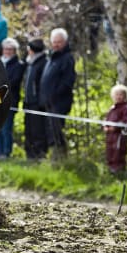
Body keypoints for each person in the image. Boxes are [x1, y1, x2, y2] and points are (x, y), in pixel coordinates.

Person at [39, 28, 76, 159]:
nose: (56, 45)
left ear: (65, 42)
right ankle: (53, 157)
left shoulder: (67, 58)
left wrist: (54, 95)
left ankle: (60, 159)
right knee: (49, 131)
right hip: (47, 103)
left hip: (59, 103)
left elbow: (67, 82)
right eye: (54, 42)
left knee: (57, 132)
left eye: (59, 42)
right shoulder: (51, 57)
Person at [0, 38, 26, 159]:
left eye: (10, 49)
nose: (7, 51)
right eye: (6, 49)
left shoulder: (18, 65)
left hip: (10, 101)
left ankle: (6, 153)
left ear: (14, 51)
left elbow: (14, 81)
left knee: (6, 128)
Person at [23, 39, 48, 159]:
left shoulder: (43, 62)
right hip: (28, 102)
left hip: (37, 103)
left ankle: (39, 154)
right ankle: (29, 154)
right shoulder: (29, 63)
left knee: (38, 130)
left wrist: (39, 100)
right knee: (28, 130)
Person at [103, 84, 127, 173]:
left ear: (125, 96)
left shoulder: (126, 108)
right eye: (117, 94)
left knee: (118, 152)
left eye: (121, 95)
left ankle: (119, 171)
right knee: (110, 151)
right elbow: (106, 119)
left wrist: (115, 128)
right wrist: (105, 127)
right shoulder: (112, 108)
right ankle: (110, 169)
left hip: (119, 135)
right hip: (110, 136)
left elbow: (126, 121)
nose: (118, 97)